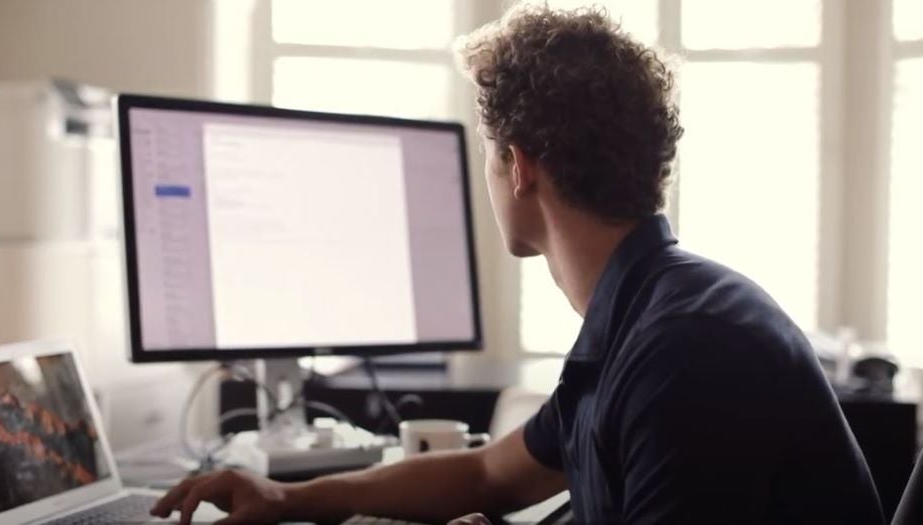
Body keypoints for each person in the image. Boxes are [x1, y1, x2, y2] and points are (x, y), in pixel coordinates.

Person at [151, 4, 885, 524]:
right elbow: (487, 473)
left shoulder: (686, 350)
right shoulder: (642, 315)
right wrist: (288, 499)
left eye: (487, 152)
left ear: (519, 165)